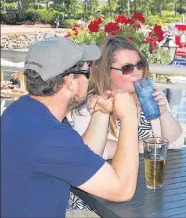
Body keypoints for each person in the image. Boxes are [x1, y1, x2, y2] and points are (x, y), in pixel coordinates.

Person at [1, 37, 141, 218]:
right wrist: (129, 116)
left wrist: (101, 112)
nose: (90, 78)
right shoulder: (50, 135)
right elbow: (122, 191)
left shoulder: (24, 110)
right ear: (71, 82)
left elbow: (83, 157)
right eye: (86, 72)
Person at [67, 36, 184, 211]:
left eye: (140, 64)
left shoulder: (149, 99)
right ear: (107, 72)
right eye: (127, 68)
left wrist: (164, 113)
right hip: (98, 202)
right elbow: (94, 151)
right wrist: (151, 147)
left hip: (142, 193)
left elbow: (175, 143)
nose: (137, 72)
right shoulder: (94, 105)